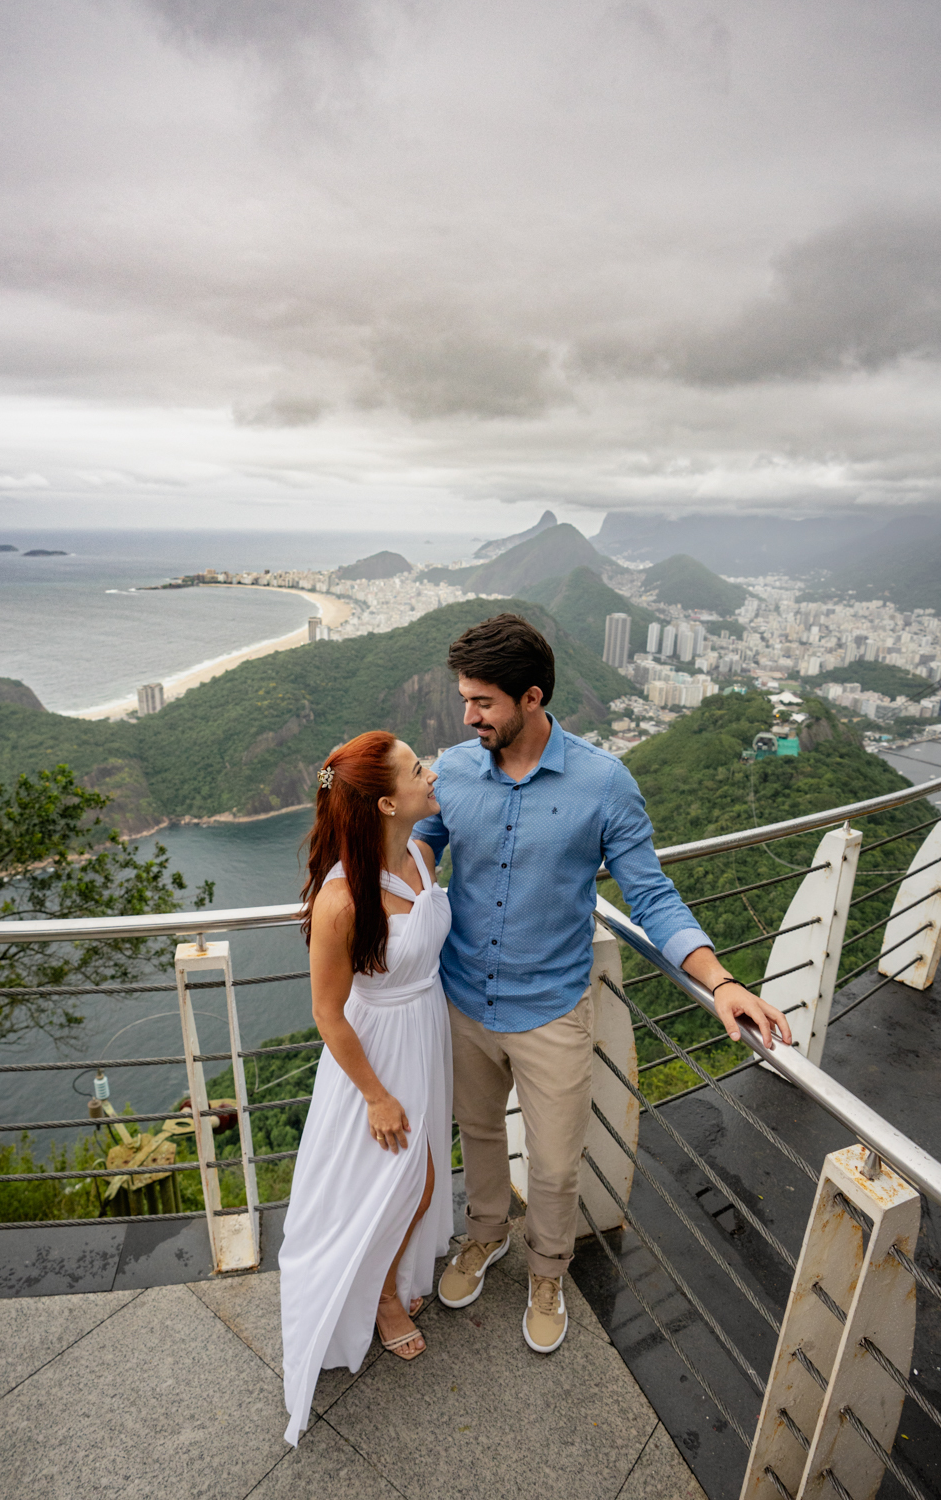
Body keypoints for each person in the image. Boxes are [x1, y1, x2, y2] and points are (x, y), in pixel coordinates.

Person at [413, 613, 791, 1356]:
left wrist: (720, 981)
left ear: (529, 697)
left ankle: (548, 1269)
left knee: (554, 1163)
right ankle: (485, 1235)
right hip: (460, 999)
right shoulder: (454, 771)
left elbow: (651, 895)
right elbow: (418, 854)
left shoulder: (603, 782)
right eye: (464, 699)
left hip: (552, 1010)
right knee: (480, 1135)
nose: (467, 716)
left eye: (482, 701)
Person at [279, 730, 454, 1447]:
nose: (431, 770)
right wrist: (376, 1095)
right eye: (418, 769)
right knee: (397, 1184)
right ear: (386, 801)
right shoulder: (343, 901)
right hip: (377, 1051)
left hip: (427, 1032)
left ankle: (389, 1276)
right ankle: (382, 1299)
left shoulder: (419, 850)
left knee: (421, 1175)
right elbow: (327, 1011)